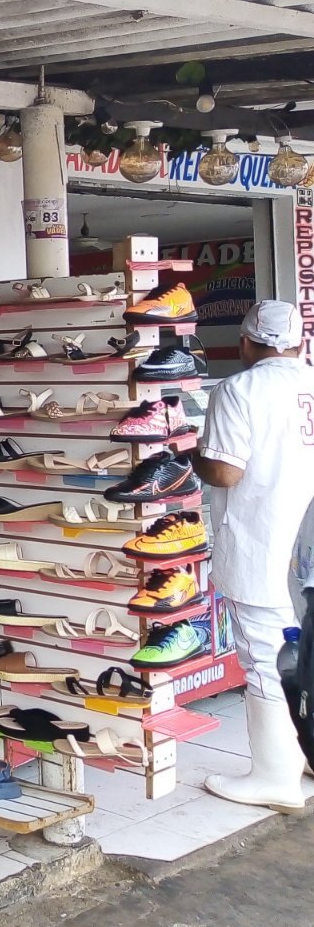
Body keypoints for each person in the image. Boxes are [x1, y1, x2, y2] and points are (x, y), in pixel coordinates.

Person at [191, 299, 314, 812]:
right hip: (305, 542)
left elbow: (225, 471)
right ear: (300, 343)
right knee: (307, 654)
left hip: (262, 543)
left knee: (265, 658)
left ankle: (275, 777)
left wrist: (190, 453)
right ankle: (306, 752)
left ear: (245, 342)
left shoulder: (239, 389)